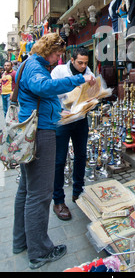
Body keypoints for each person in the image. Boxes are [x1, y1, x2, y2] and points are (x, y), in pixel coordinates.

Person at [12, 33, 96, 270]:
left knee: (26, 190)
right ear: (48, 50)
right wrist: (77, 80)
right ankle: (40, 251)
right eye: (58, 54)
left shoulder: (29, 65)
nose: (58, 59)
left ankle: (21, 241)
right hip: (40, 132)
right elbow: (44, 87)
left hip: (34, 128)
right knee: (39, 194)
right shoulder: (34, 66)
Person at [51, 47, 95, 221]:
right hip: (62, 120)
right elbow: (51, 93)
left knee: (81, 155)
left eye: (86, 63)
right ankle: (58, 201)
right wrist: (58, 110)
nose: (83, 66)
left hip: (80, 119)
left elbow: (91, 92)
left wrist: (92, 98)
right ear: (72, 59)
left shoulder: (88, 71)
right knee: (59, 160)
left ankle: (78, 192)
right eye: (80, 63)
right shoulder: (59, 71)